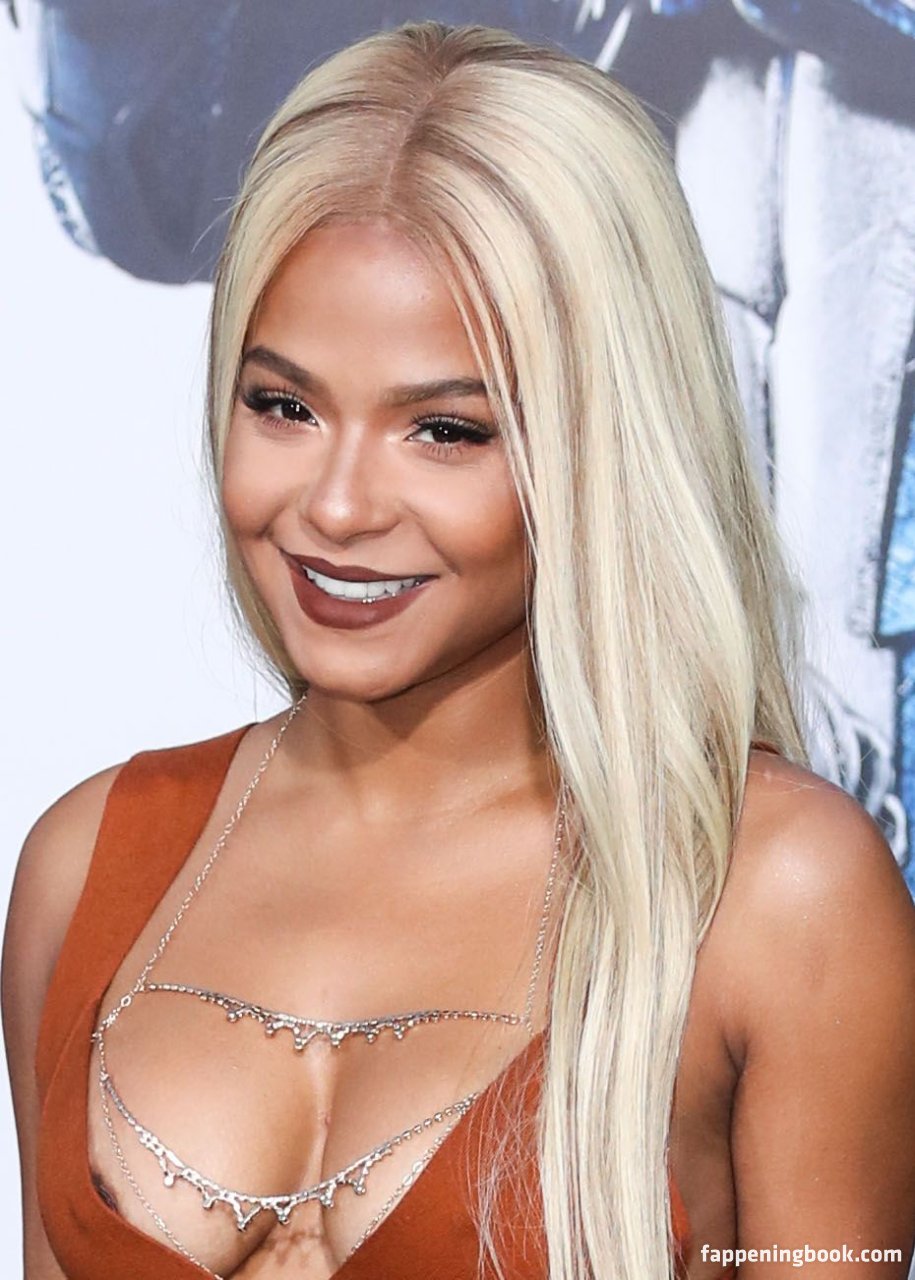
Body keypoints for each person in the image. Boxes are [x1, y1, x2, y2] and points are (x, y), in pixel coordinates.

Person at [3, 19, 914, 1280]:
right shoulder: (82, 863)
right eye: (284, 405)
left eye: (444, 430)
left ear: (601, 442)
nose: (335, 506)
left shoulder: (779, 895)